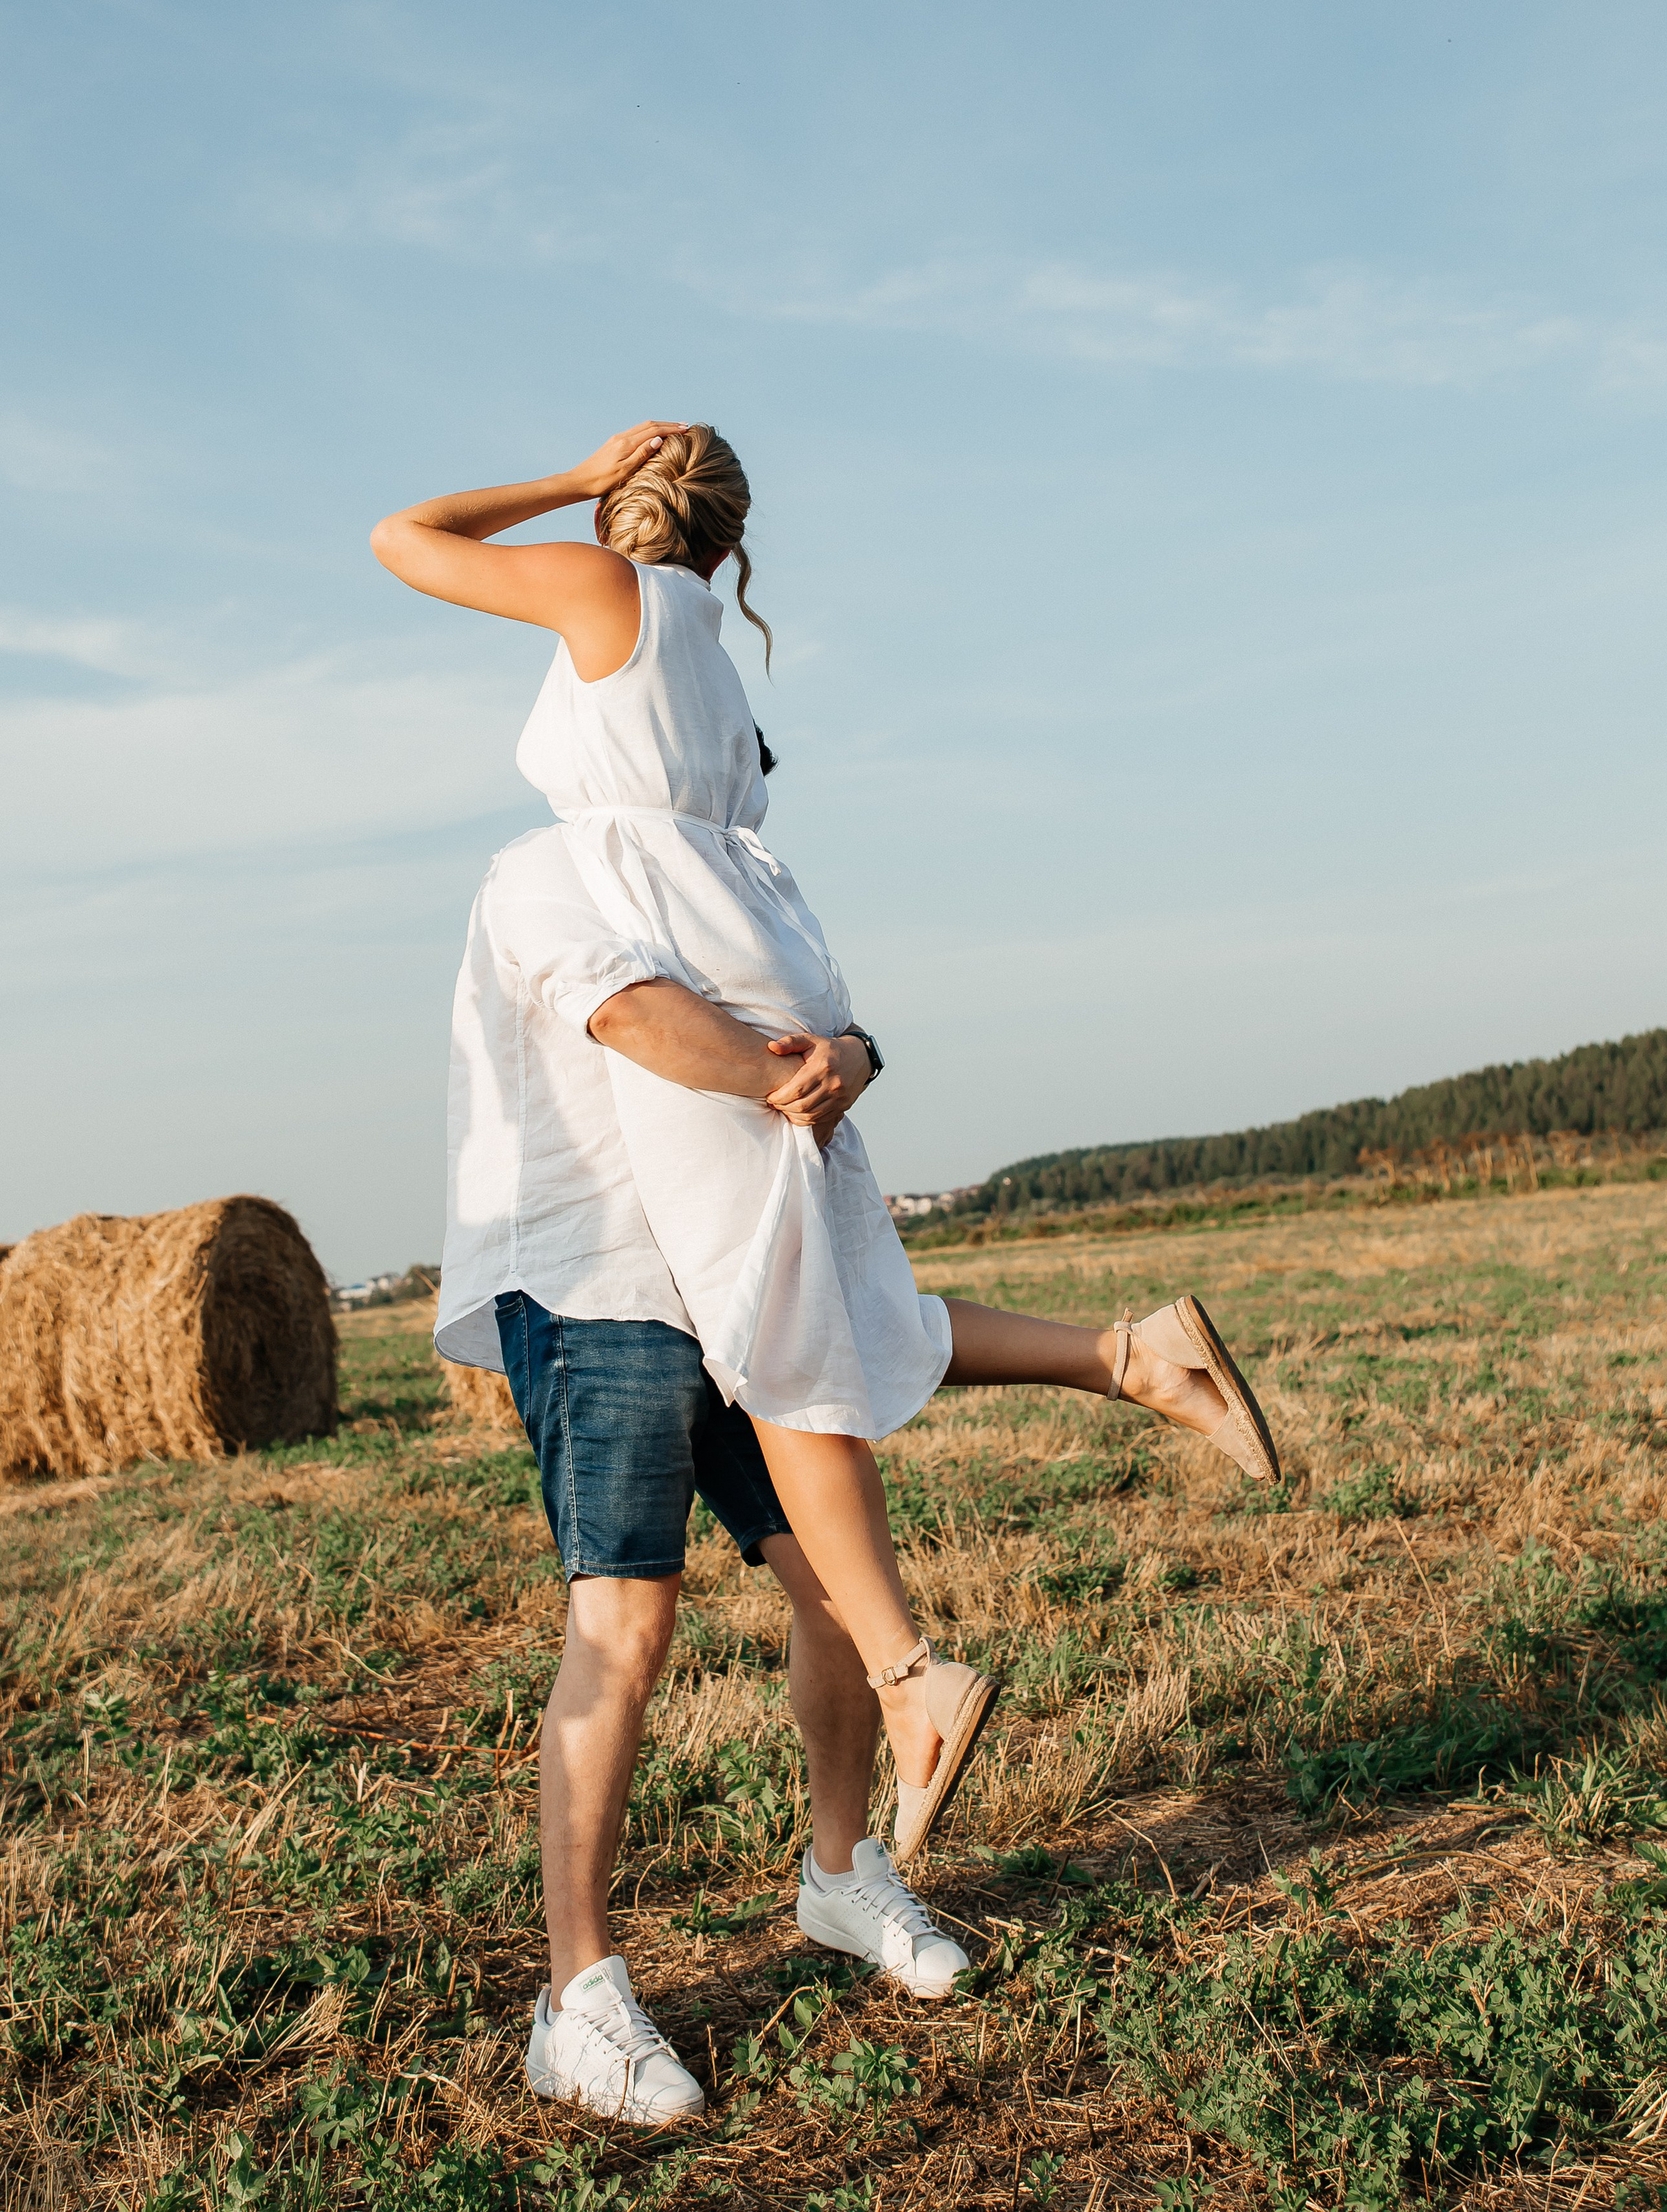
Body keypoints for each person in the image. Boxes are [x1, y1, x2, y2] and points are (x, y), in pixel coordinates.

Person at [371, 421, 1280, 2124]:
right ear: (733, 545)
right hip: (602, 1277)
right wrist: (821, 1058)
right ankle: (578, 1990)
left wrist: (569, 479)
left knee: (790, 1578)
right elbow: (678, 1011)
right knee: (628, 1623)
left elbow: (407, 538)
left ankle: (839, 1873)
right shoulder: (671, 798)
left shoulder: (615, 700)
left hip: (701, 1243)